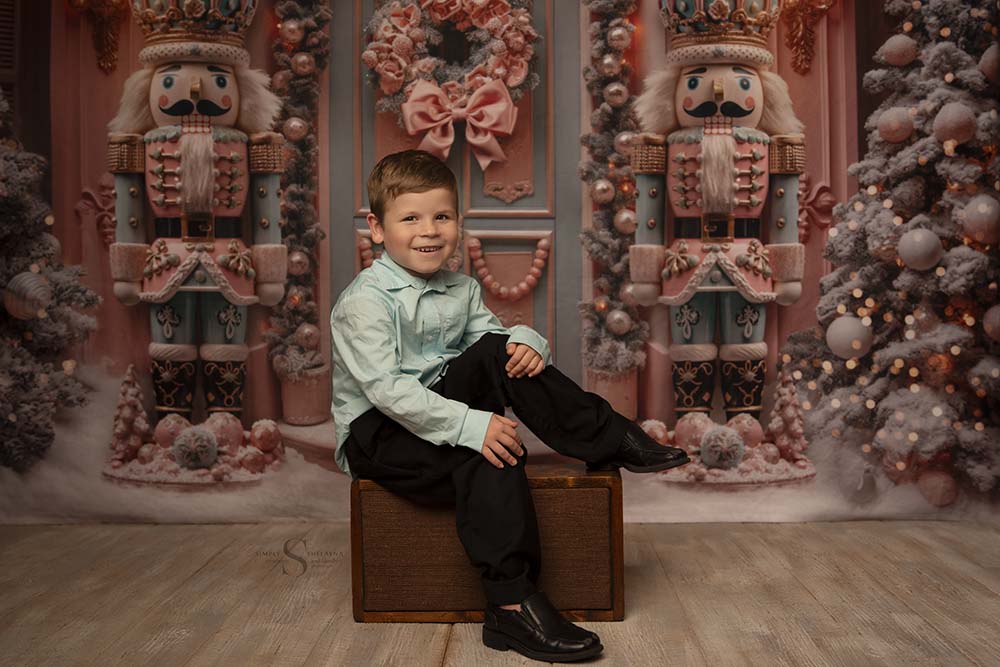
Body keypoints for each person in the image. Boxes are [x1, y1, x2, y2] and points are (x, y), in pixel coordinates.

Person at [331, 149, 690, 662]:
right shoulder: (365, 301)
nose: (428, 230)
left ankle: (608, 437)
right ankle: (511, 604)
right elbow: (387, 391)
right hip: (379, 434)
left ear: (459, 221)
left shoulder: (461, 288)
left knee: (503, 352)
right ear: (378, 228)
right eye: (410, 218)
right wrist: (471, 425)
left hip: (436, 404)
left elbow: (492, 345)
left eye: (442, 216)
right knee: (490, 448)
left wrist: (529, 342)